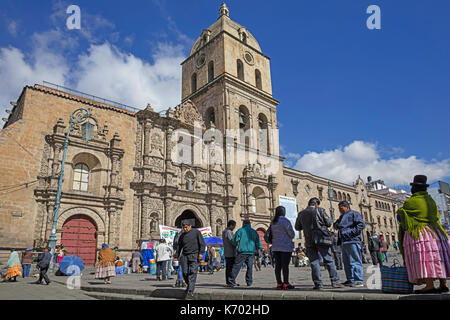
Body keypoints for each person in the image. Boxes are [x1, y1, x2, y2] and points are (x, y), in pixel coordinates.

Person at [398, 175, 450, 294]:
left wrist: (400, 211)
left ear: (414, 188)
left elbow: (403, 218)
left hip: (421, 234)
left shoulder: (411, 202)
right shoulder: (431, 201)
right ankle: (443, 283)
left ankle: (429, 285)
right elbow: (436, 216)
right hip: (436, 233)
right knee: (437, 257)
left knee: (425, 258)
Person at [296, 197, 343, 290]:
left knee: (314, 262)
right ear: (316, 204)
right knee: (329, 260)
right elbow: (329, 223)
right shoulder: (320, 210)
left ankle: (318, 284)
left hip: (309, 240)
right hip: (322, 238)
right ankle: (335, 282)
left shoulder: (301, 213)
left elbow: (297, 227)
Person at [334, 201, 366, 288]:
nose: (340, 210)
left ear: (346, 207)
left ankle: (359, 280)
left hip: (352, 241)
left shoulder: (354, 214)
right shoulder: (341, 217)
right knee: (347, 262)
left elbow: (361, 225)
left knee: (355, 260)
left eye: (341, 208)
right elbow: (336, 225)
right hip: (344, 242)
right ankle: (350, 279)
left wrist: (349, 232)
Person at [173, 219, 206, 298]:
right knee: (184, 272)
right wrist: (176, 256)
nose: (185, 229)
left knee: (193, 272)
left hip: (194, 254)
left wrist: (201, 253)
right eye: (183, 227)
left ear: (190, 226)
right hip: (184, 255)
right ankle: (189, 285)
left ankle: (190, 291)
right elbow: (179, 247)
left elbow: (202, 243)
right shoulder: (182, 235)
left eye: (186, 227)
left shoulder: (196, 232)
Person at [228, 220, 261, 288]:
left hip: (242, 252)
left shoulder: (240, 230)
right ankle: (249, 282)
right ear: (249, 224)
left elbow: (234, 240)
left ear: (243, 224)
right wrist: (258, 248)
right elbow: (258, 242)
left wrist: (235, 245)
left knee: (236, 266)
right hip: (251, 252)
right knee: (250, 267)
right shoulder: (254, 231)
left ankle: (231, 281)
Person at [271, 206, 296, 290]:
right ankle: (286, 283)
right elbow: (291, 234)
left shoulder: (273, 222)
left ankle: (279, 283)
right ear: (283, 212)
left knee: (278, 266)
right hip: (285, 246)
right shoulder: (285, 221)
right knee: (285, 265)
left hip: (275, 246)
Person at [222, 220, 237, 287]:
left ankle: (229, 281)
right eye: (234, 226)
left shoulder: (224, 231)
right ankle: (230, 282)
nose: (234, 227)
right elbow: (232, 241)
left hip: (227, 252)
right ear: (231, 225)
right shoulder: (228, 232)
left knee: (228, 268)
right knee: (230, 268)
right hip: (231, 252)